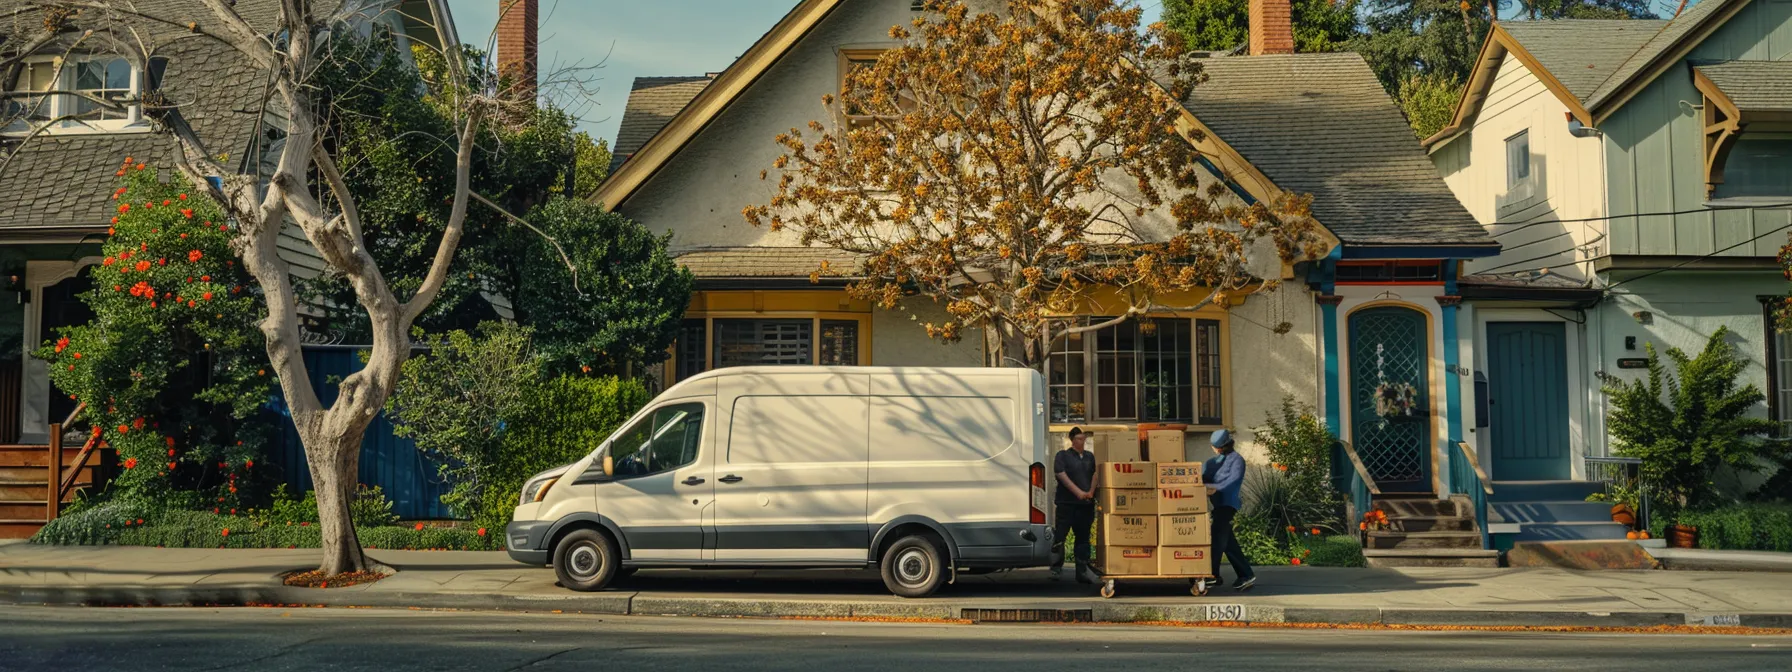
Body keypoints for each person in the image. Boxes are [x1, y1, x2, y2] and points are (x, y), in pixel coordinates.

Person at [1203, 429, 1256, 591]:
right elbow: (1200, 477)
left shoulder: (1237, 461)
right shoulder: (1212, 462)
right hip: (1217, 505)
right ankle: (1246, 575)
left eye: (1217, 447)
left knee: (1218, 537)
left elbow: (1232, 482)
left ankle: (1212, 574)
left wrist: (1211, 487)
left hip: (1228, 505)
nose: (1215, 449)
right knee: (1227, 542)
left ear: (1225, 445)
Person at [1049, 427, 1099, 584]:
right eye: (1078, 439)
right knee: (1060, 536)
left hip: (1085, 505)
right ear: (1072, 439)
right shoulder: (1063, 456)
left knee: (1083, 538)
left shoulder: (1090, 457)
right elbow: (1060, 474)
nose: (1082, 442)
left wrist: (1090, 492)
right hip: (1067, 504)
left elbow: (1095, 474)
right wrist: (1078, 492)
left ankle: (1082, 571)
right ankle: (1056, 568)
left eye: (1083, 439)